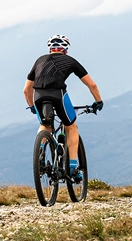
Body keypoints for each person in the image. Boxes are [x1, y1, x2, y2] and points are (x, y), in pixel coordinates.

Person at [24, 34, 103, 179]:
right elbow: (92, 84)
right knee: (71, 126)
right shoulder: (70, 61)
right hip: (58, 95)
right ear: (66, 49)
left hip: (38, 96)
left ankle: (40, 153)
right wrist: (98, 101)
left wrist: (32, 106)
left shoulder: (40, 60)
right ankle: (72, 167)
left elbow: (26, 90)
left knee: (45, 125)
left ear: (50, 49)